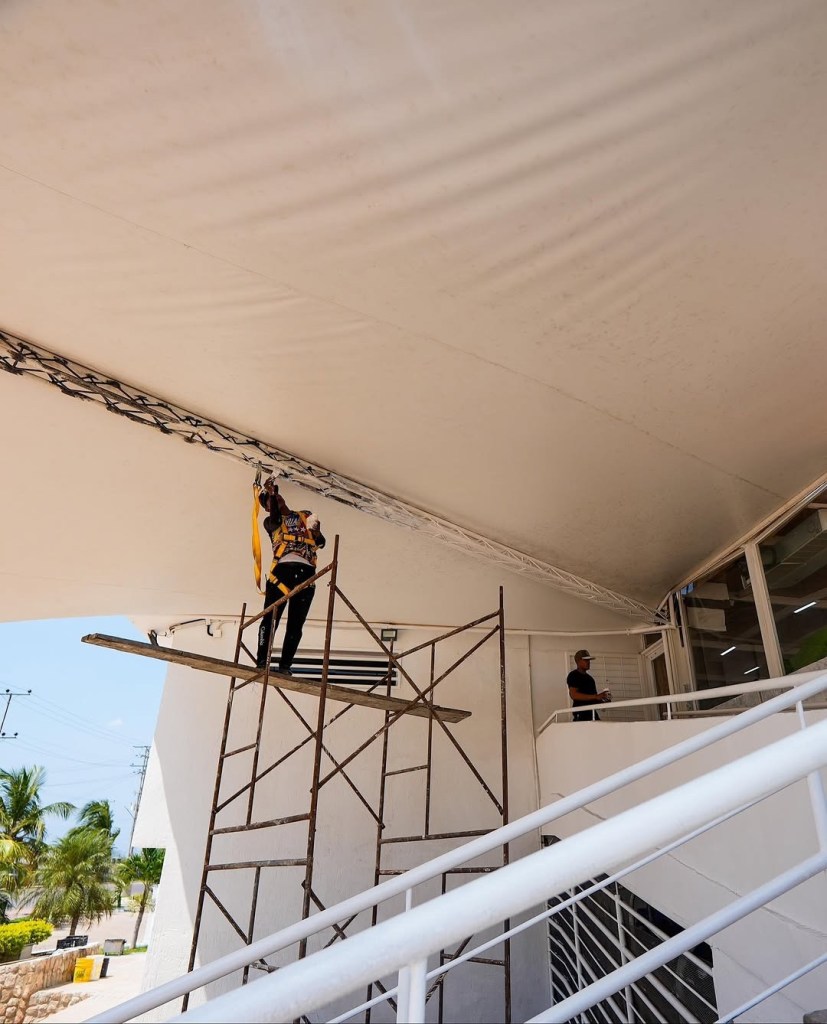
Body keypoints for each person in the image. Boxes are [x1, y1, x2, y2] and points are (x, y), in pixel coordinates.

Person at [256, 476, 326, 673]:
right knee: (270, 620)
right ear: (268, 508)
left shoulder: (305, 515)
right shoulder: (270, 522)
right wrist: (270, 494)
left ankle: (285, 666)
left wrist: (316, 532)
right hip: (281, 574)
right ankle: (261, 662)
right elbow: (276, 519)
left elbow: (321, 543)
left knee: (296, 625)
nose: (276, 500)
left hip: (306, 574)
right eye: (271, 502)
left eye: (277, 497)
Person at [567, 650, 611, 722]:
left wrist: (603, 700)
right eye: (586, 660)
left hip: (592, 713)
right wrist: (596, 696)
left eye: (589, 660)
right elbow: (574, 695)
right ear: (578, 661)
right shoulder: (573, 675)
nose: (588, 662)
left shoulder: (590, 679)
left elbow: (593, 699)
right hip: (581, 714)